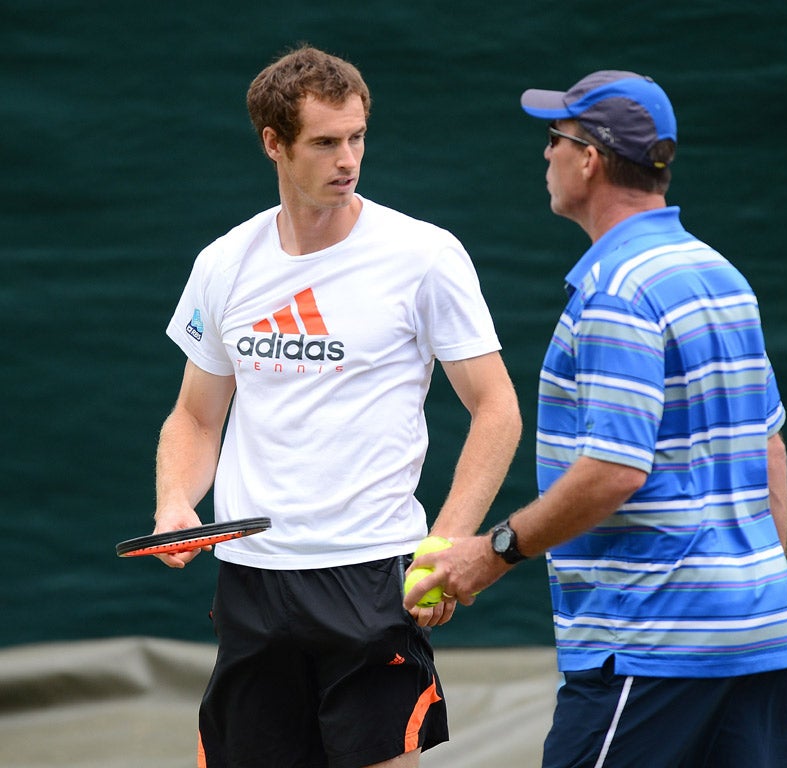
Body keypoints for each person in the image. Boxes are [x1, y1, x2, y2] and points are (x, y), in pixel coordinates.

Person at [404, 70, 787, 767]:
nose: (544, 155)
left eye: (554, 139)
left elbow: (614, 471)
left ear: (588, 158)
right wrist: (752, 588)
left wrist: (488, 555)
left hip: (648, 647)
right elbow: (769, 447)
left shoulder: (617, 292)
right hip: (753, 635)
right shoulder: (721, 276)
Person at [152, 45, 522, 768]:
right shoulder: (225, 262)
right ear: (274, 144)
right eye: (325, 142)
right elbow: (196, 416)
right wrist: (174, 502)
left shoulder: (424, 255)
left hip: (372, 578)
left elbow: (497, 408)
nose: (347, 157)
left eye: (356, 137)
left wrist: (443, 544)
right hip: (252, 582)